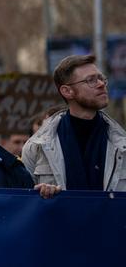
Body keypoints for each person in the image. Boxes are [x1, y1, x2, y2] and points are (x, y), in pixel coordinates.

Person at [22, 55, 126, 198]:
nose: (101, 84)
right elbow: (25, 204)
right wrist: (42, 195)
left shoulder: (122, 145)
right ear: (67, 91)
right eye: (91, 80)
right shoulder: (37, 146)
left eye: (101, 78)